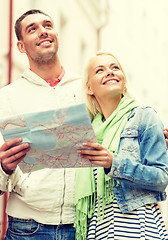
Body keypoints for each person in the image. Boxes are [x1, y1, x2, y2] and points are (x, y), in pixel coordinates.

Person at [0, 9, 81, 240]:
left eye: (47, 25)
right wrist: (3, 166)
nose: (43, 31)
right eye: (32, 29)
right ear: (21, 47)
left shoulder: (86, 90)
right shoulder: (6, 99)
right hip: (27, 229)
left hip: (83, 225)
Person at [75, 52, 168, 239]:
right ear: (89, 88)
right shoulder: (86, 132)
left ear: (124, 82)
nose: (109, 72)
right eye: (100, 70)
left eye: (115, 67)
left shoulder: (144, 116)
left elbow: (161, 178)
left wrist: (114, 164)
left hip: (138, 229)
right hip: (99, 231)